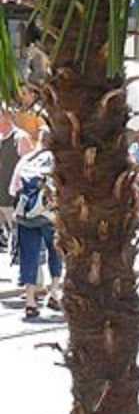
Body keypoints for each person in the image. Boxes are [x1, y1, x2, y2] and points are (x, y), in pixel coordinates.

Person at [10, 129, 61, 319]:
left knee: (28, 256)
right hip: (50, 216)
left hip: (27, 216)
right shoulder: (58, 160)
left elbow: (13, 189)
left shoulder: (26, 160)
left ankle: (30, 301)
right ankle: (53, 293)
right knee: (55, 252)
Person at [0, 108, 32, 251]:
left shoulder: (20, 138)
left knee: (18, 233)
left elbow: (30, 166)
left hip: (12, 197)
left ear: (6, 117)